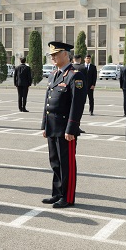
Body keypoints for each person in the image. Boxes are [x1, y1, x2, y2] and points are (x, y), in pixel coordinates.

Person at [41, 41, 87, 208]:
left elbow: (77, 104)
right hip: (52, 126)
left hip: (65, 128)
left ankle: (67, 197)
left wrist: (71, 128)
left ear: (66, 54)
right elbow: (47, 102)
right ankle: (57, 193)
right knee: (55, 162)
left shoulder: (75, 75)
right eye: (51, 55)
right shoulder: (54, 74)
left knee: (66, 164)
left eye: (55, 54)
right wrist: (44, 125)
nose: (52, 57)